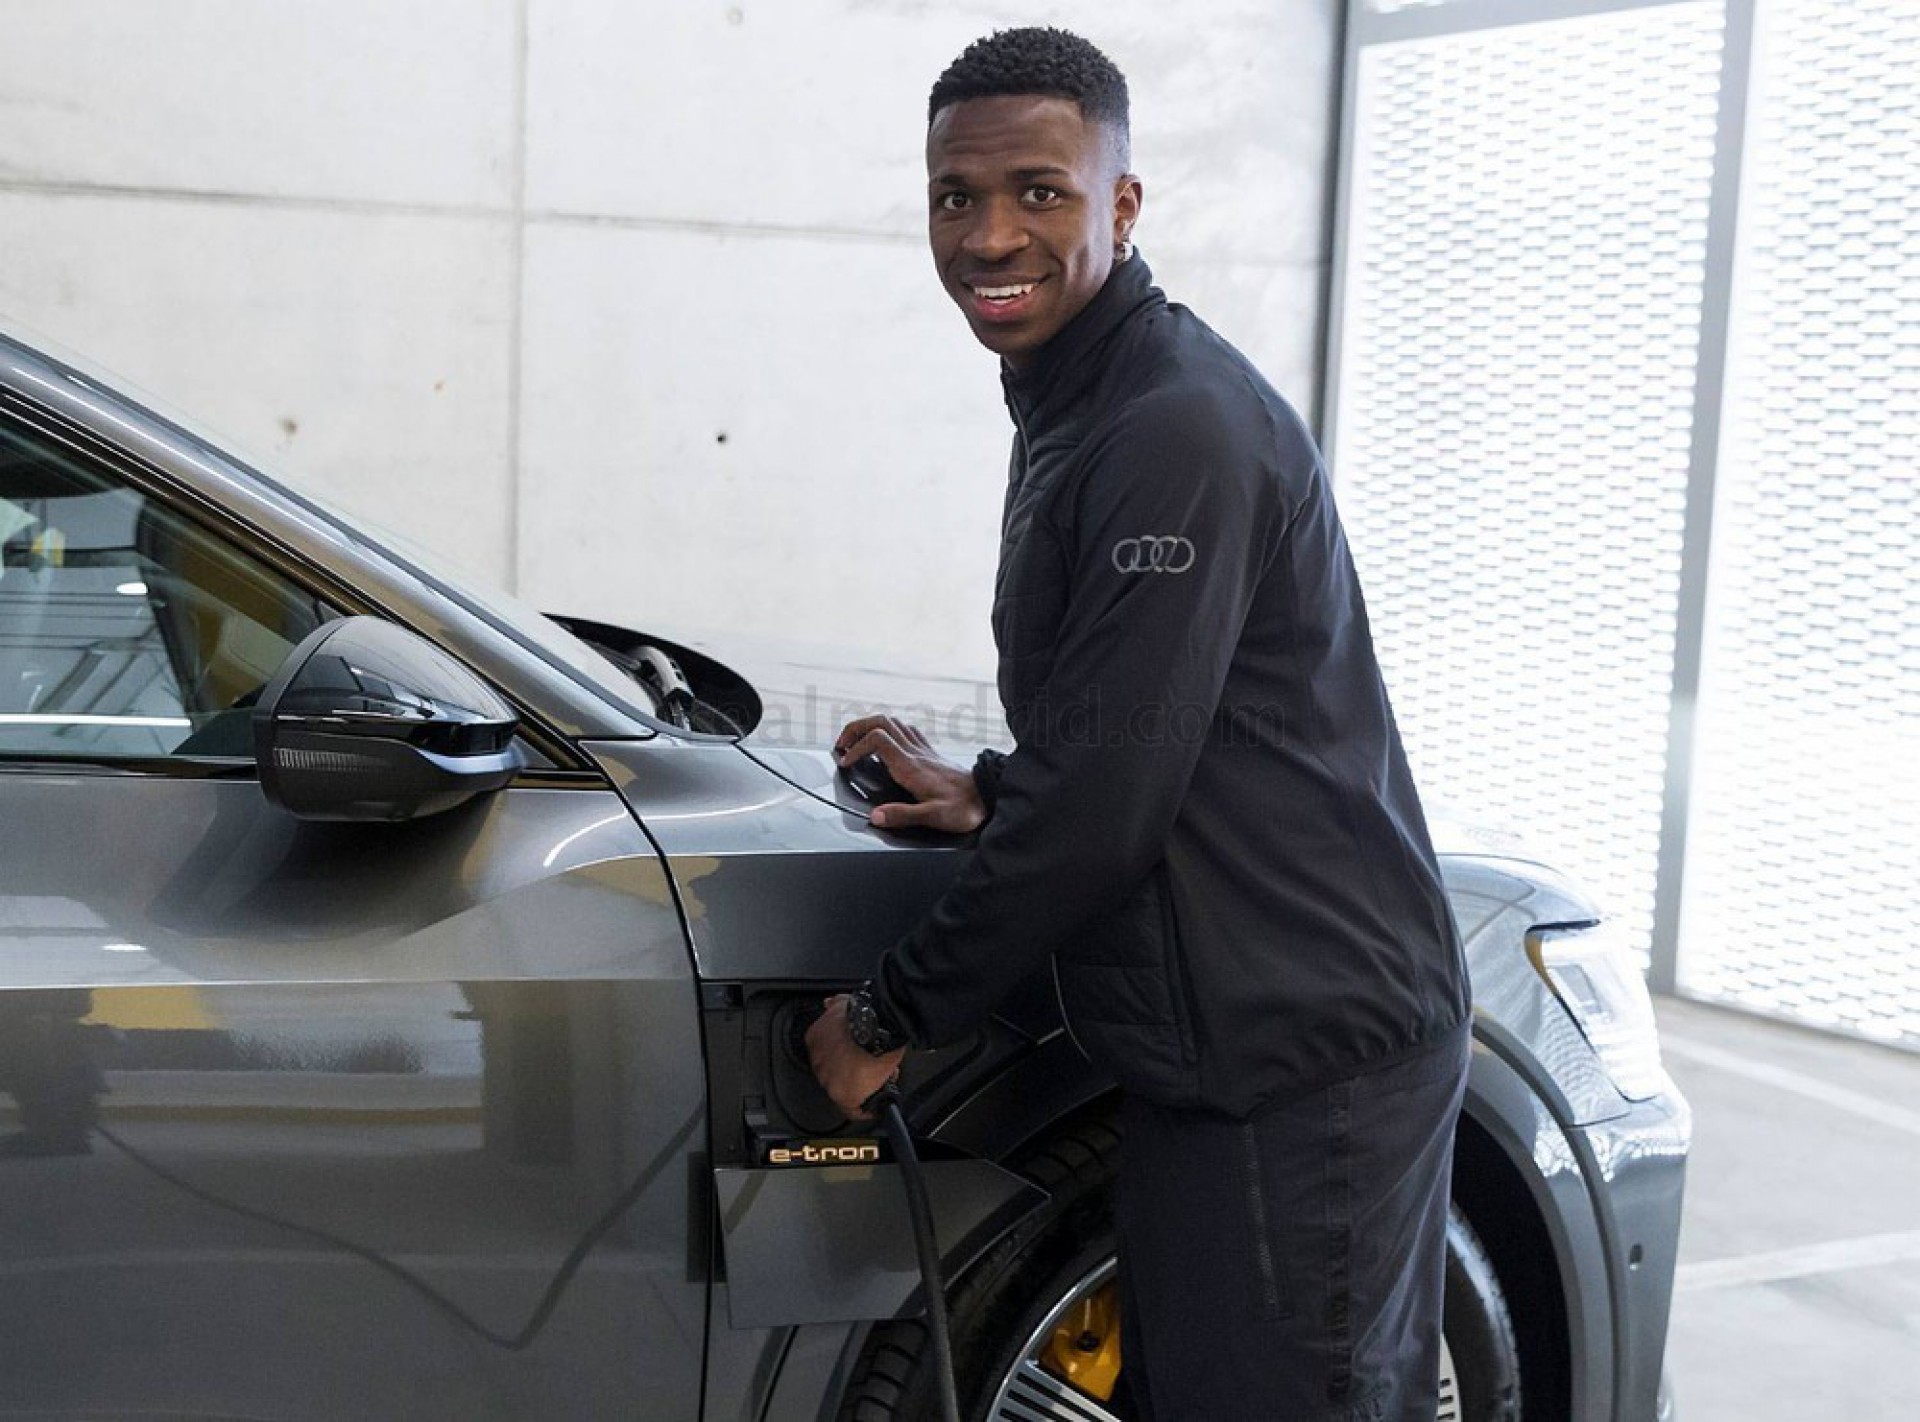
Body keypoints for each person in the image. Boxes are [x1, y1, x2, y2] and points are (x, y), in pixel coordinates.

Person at [806, 26, 1470, 1421]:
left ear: (1122, 204)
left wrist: (891, 1011)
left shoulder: (1170, 426)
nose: (990, 235)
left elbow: (1107, 805)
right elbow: (1170, 723)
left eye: (1039, 192)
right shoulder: (1084, 397)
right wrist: (999, 789)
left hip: (1304, 1065)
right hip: (1215, 1057)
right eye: (955, 197)